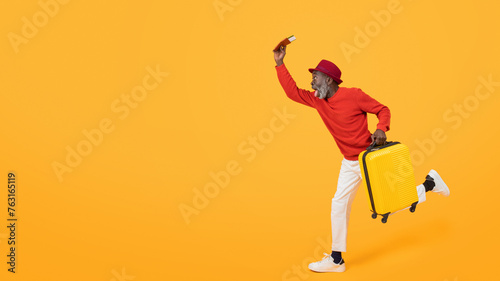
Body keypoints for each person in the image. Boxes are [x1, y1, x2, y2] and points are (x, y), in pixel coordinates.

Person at [273, 44, 450, 273]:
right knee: (338, 204)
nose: (312, 83)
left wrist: (382, 128)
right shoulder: (318, 100)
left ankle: (430, 184)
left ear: (328, 80)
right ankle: (336, 260)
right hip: (349, 162)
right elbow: (293, 92)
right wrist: (279, 63)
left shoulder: (354, 95)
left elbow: (382, 109)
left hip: (369, 160)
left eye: (315, 77)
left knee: (392, 204)